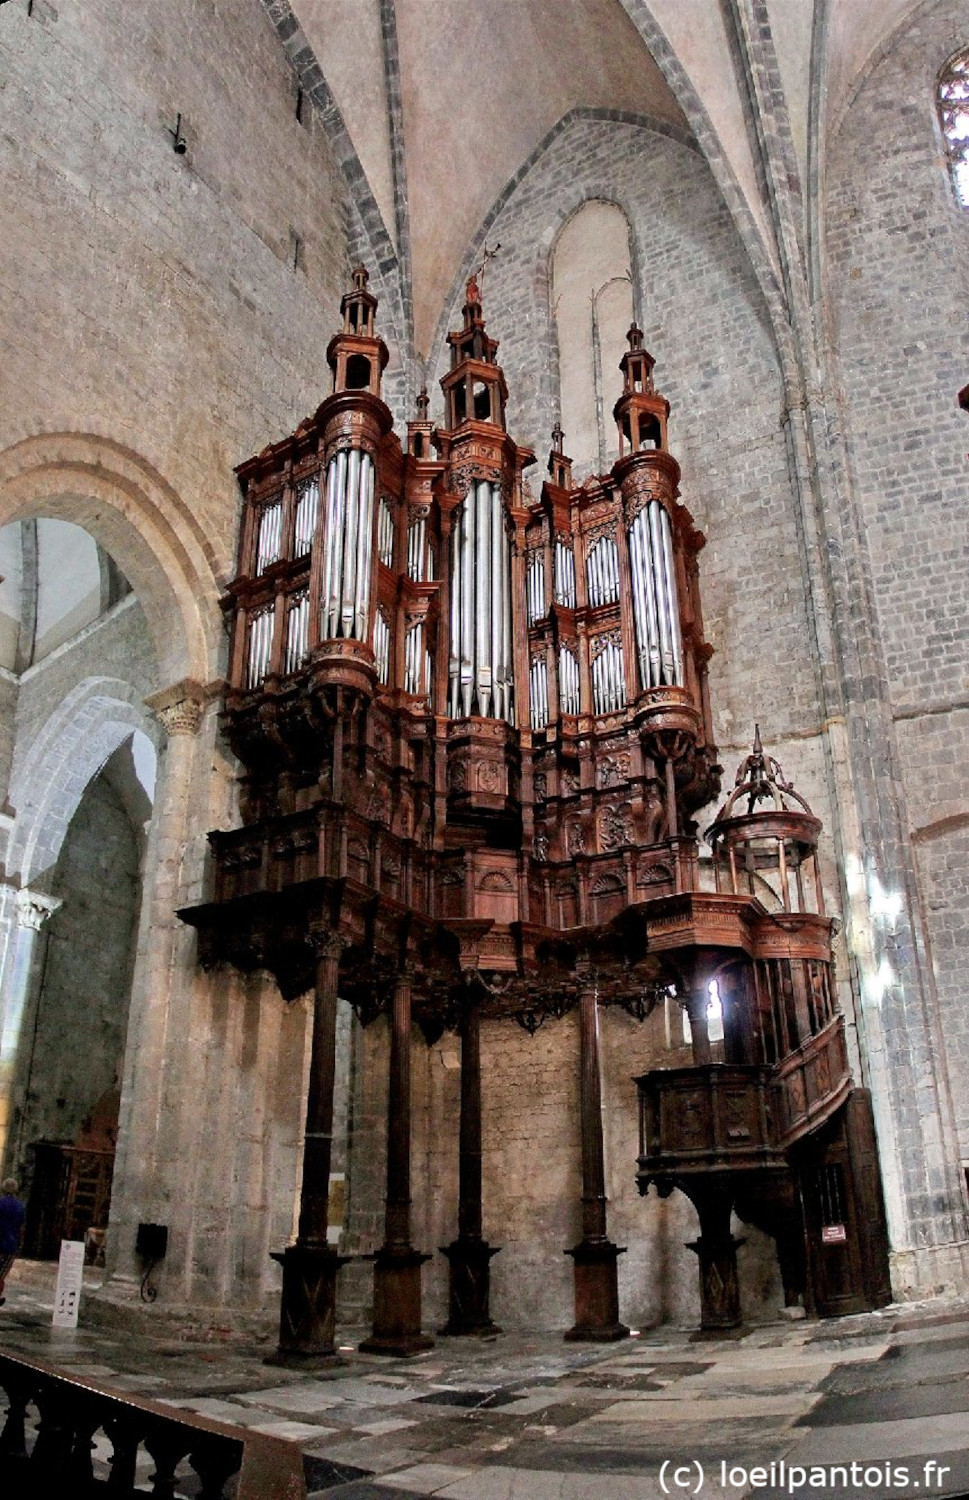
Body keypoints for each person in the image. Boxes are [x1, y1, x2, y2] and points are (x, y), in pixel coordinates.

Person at [0, 1177, 25, 1306]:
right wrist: (20, 1244)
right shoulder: (20, 1207)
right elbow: (21, 1228)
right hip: (10, 1245)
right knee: (1, 1274)